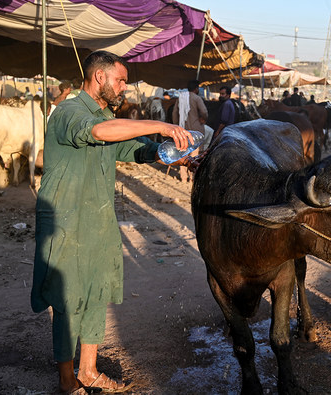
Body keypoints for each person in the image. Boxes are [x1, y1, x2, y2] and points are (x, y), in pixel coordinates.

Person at [31, 50, 195, 394]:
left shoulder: (106, 114)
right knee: (67, 298)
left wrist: (165, 151)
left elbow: (128, 148)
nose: (123, 87)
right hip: (66, 219)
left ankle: (88, 370)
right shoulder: (68, 112)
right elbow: (100, 132)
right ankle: (66, 380)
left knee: (95, 292)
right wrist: (161, 124)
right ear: (99, 77)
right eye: (120, 80)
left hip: (98, 219)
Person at [172, 80, 209, 182]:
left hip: (182, 129)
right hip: (195, 129)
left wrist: (177, 126)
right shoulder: (197, 98)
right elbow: (204, 111)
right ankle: (192, 177)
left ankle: (183, 178)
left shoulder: (180, 98)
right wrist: (203, 119)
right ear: (196, 89)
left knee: (183, 153)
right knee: (194, 154)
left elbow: (174, 113)